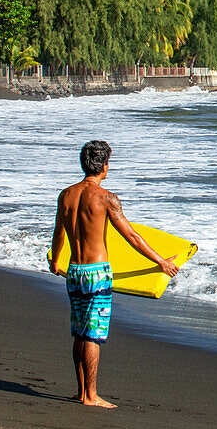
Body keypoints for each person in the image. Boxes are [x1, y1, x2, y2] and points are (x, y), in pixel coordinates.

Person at [49, 141, 179, 408]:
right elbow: (131, 235)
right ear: (105, 166)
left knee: (79, 332)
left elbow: (58, 233)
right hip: (97, 273)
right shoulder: (106, 198)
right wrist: (161, 262)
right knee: (93, 335)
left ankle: (80, 390)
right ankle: (91, 395)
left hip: (73, 270)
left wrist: (54, 261)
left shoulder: (66, 195)